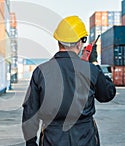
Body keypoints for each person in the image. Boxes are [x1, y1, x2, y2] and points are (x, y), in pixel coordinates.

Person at [22, 16, 116, 146]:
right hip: (85, 138)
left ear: (59, 41)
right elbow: (107, 94)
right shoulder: (90, 70)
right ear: (79, 43)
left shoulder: (40, 72)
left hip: (52, 138)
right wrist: (94, 63)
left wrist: (31, 143)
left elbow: (30, 111)